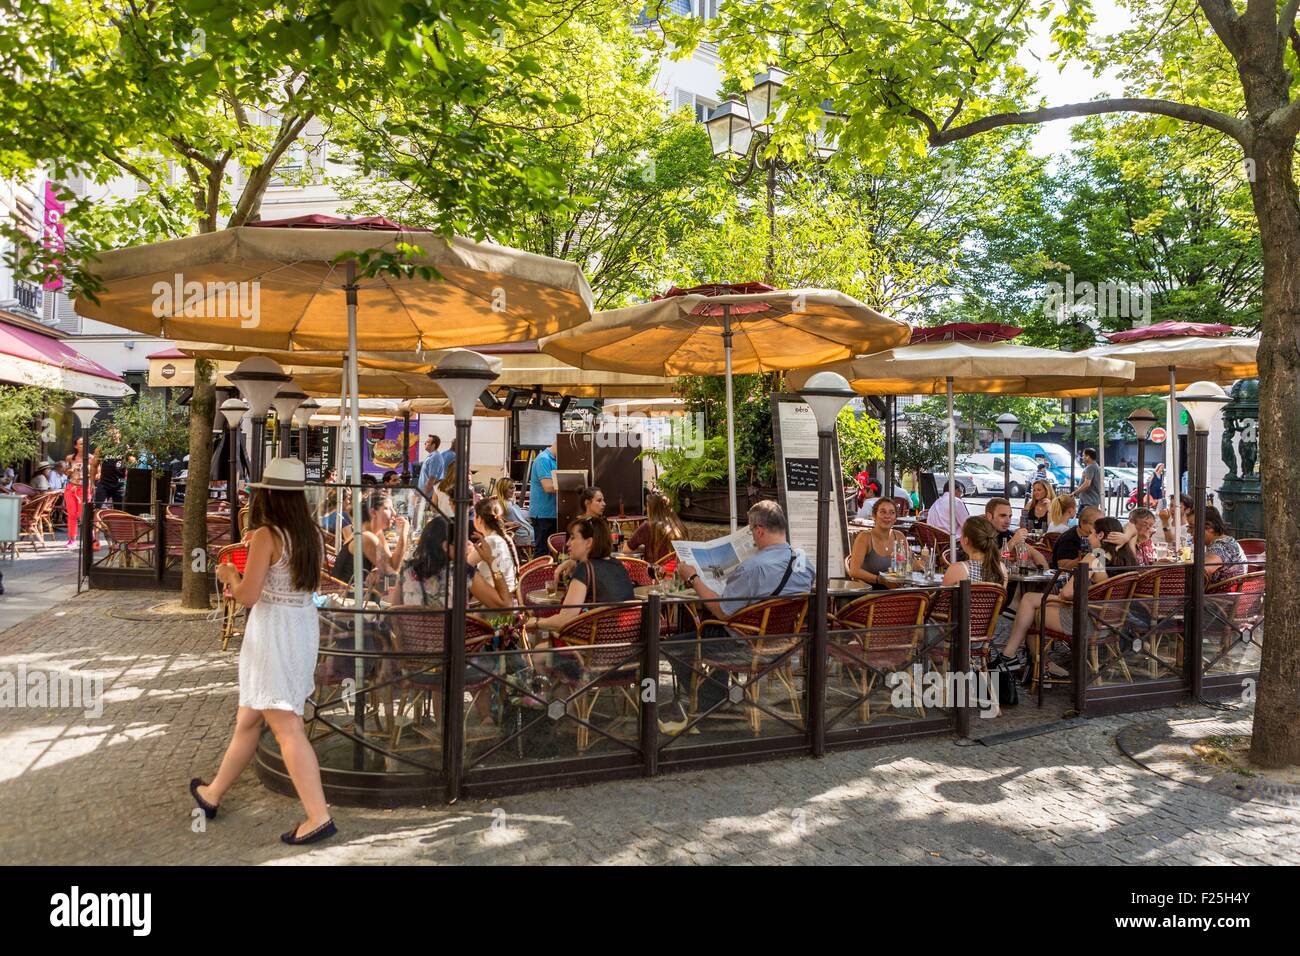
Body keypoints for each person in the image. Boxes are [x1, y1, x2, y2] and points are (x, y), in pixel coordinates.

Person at [194, 458, 335, 845]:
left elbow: (248, 596)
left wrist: (229, 575)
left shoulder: (266, 537)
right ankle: (212, 794)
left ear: (268, 496)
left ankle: (318, 816)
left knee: (287, 726)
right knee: (249, 719)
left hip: (273, 631)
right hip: (301, 627)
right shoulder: (312, 534)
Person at [662, 501, 814, 728]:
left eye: (752, 530)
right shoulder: (805, 562)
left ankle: (712, 699)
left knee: (674, 646)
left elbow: (722, 612)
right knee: (709, 632)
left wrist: (693, 578)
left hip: (743, 645)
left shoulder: (753, 567)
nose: (752, 536)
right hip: (783, 645)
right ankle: (719, 695)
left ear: (760, 530)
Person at [995, 516, 1136, 675]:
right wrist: (1126, 537)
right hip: (1111, 622)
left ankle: (1018, 658)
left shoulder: (1096, 556)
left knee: (1029, 606)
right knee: (1030, 601)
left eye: (1091, 533)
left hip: (1086, 621)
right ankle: (1031, 662)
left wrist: (1058, 598)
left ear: (1101, 535)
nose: (1087, 537)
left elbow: (1067, 593)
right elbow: (1133, 526)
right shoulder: (1127, 556)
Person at [523, 515, 634, 635]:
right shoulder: (618, 565)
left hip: (596, 646)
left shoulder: (585, 569)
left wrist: (536, 622)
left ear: (589, 542)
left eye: (572, 538)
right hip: (626, 642)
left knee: (541, 645)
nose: (567, 543)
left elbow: (564, 620)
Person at [331, 491, 409, 595]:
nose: (394, 513)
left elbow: (390, 563)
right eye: (387, 508)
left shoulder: (374, 532)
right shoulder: (366, 537)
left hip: (358, 592)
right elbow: (393, 570)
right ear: (373, 512)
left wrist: (377, 568)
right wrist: (404, 533)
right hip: (349, 599)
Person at [848, 497, 914, 589]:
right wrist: (880, 579)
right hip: (870, 593)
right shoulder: (865, 538)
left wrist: (924, 563)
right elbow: (854, 571)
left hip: (896, 591)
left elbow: (910, 563)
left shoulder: (899, 536)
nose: (887, 516)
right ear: (874, 516)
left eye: (892, 513)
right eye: (883, 512)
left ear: (895, 518)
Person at [469, 498, 520, 609]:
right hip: (511, 593)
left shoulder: (490, 541)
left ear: (479, 519)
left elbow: (465, 565)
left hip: (495, 601)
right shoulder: (504, 537)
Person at [394, 513, 453, 607]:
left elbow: (394, 612)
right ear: (445, 545)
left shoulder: (407, 570)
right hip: (448, 622)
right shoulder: (458, 572)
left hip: (410, 622)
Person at [940, 515, 1008, 589]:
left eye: (961, 534)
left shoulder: (958, 569)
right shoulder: (1001, 569)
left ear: (966, 540)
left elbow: (943, 598)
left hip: (965, 601)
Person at [623, 491, 685, 566]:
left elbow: (626, 549)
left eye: (647, 507)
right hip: (677, 572)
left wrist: (644, 547)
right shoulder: (678, 525)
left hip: (656, 574)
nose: (646, 509)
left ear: (651, 509)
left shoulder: (648, 527)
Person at [985, 497, 1048, 568]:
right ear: (989, 516)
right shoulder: (979, 533)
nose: (1008, 521)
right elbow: (990, 561)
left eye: (1010, 516)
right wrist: (1013, 542)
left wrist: (1047, 574)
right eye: (1003, 516)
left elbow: (1035, 554)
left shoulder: (1007, 534)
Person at [1050, 505, 1102, 571]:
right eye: (1096, 525)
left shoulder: (1100, 537)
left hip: (1095, 576)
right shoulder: (1068, 539)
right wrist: (1085, 557)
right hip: (1070, 577)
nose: (1100, 528)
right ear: (1083, 523)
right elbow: (1063, 567)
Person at [527, 439, 559, 548]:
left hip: (552, 513)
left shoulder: (555, 460)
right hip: (543, 514)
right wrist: (571, 486)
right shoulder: (543, 459)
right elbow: (548, 487)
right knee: (542, 550)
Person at [1204, 507, 1247, 585]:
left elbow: (1204, 570)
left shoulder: (1220, 547)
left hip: (1220, 595)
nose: (1188, 531)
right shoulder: (1228, 540)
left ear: (1209, 528)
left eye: (1192, 527)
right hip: (1235, 593)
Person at [494, 477, 534, 549]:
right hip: (522, 535)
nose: (514, 490)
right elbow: (493, 522)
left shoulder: (509, 501)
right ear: (504, 489)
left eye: (514, 487)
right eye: (511, 488)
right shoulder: (499, 504)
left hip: (526, 531)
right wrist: (507, 524)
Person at [418, 434, 446, 498]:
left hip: (429, 496)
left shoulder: (435, 457)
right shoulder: (431, 456)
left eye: (427, 442)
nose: (425, 443)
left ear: (433, 445)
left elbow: (432, 478)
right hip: (425, 494)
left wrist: (425, 494)